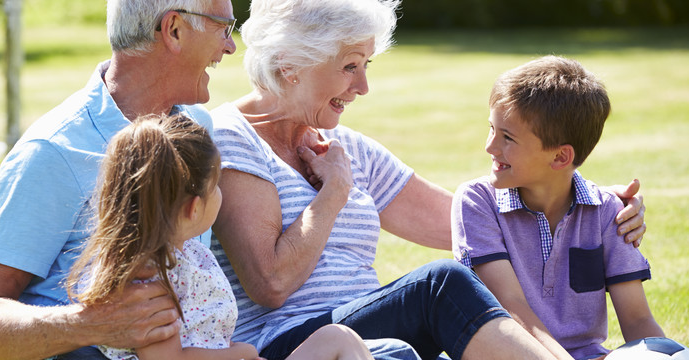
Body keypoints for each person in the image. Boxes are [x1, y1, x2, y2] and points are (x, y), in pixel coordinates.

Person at [208, 1, 646, 359]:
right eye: (349, 66)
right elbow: (271, 284)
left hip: (373, 338)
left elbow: (463, 223)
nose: (363, 86)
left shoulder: (345, 145)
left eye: (367, 65)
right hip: (293, 343)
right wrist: (334, 192)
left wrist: (587, 204)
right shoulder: (232, 138)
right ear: (291, 64)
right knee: (441, 284)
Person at [0, 0, 236, 359]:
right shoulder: (53, 151)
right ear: (174, 30)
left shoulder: (198, 130)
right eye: (223, 28)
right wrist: (92, 324)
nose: (231, 45)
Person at [66, 114, 374, 360]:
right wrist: (242, 352)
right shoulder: (147, 280)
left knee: (337, 337)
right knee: (339, 340)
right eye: (216, 186)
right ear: (193, 207)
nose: (221, 193)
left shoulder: (186, 257)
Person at [451, 56, 663, 360]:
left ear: (561, 157)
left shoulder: (607, 213)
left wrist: (670, 355)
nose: (490, 146)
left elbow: (637, 320)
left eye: (507, 137)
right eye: (492, 129)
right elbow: (510, 306)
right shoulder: (476, 201)